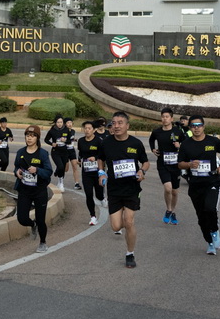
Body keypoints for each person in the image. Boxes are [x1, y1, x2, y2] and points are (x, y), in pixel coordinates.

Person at [98, 111, 149, 268]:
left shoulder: (135, 143)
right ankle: (123, 229)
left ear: (127, 125)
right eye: (114, 123)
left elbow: (146, 162)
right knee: (116, 226)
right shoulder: (106, 143)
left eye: (120, 123)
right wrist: (101, 172)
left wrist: (142, 171)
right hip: (114, 189)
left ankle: (130, 254)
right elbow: (100, 159)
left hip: (132, 188)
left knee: (129, 221)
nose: (117, 126)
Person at [177, 115, 220, 255]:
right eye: (193, 125)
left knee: (210, 208)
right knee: (201, 217)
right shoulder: (186, 144)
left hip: (212, 181)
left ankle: (215, 230)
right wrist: (189, 164)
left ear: (204, 126)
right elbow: (180, 163)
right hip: (195, 184)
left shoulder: (213, 141)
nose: (196, 128)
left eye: (199, 125)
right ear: (190, 128)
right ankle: (210, 242)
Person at [14, 124, 53, 252]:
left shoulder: (42, 154)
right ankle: (32, 224)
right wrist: (17, 173)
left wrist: (37, 170)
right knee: (22, 218)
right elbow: (16, 167)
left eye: (32, 136)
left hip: (39, 190)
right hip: (25, 190)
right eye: (27, 135)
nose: (29, 138)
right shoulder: (20, 152)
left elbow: (48, 171)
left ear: (37, 138)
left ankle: (42, 242)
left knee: (41, 219)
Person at [149, 107, 186, 225]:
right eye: (163, 117)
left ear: (171, 118)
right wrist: (153, 149)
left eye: (167, 117)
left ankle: (172, 211)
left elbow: (186, 145)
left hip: (176, 165)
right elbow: (151, 140)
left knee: (175, 192)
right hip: (162, 164)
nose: (164, 119)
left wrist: (179, 146)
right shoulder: (157, 131)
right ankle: (168, 209)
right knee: (167, 188)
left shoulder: (178, 132)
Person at [78, 120, 106, 225]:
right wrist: (79, 160)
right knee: (89, 194)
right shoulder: (81, 141)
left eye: (89, 128)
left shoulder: (99, 141)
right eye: (85, 128)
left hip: (97, 172)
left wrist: (95, 157)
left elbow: (103, 156)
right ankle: (93, 216)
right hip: (86, 172)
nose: (87, 130)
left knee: (98, 194)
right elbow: (80, 153)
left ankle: (103, 197)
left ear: (94, 130)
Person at [44, 115, 72, 192]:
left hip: (64, 151)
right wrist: (52, 143)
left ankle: (61, 183)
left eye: (61, 122)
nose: (59, 124)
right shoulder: (52, 130)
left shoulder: (66, 130)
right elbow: (46, 140)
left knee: (62, 168)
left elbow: (70, 141)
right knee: (60, 167)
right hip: (55, 151)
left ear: (63, 123)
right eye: (58, 122)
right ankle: (58, 174)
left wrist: (65, 140)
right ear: (55, 123)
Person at [64, 117, 82, 190]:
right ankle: (60, 180)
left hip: (72, 150)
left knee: (75, 167)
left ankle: (76, 183)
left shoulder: (73, 131)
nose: (70, 124)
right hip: (65, 150)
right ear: (65, 124)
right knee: (66, 169)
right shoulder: (63, 131)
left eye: (71, 122)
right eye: (68, 123)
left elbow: (71, 138)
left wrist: (74, 139)